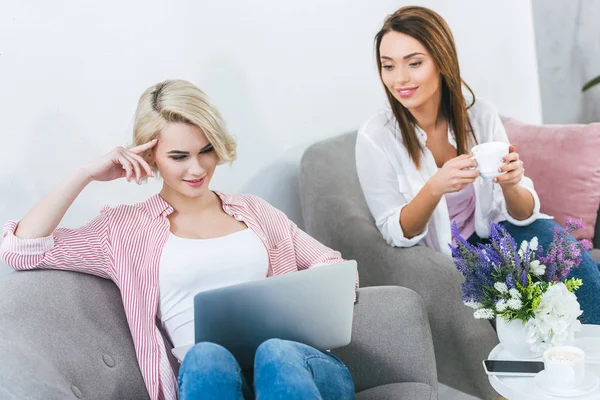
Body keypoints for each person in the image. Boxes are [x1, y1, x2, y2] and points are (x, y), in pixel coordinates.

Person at [1, 79, 355, 400]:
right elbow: (20, 250)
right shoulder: (123, 229)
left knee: (273, 352)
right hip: (210, 376)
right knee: (204, 356)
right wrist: (85, 174)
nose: (197, 169)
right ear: (150, 155)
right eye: (179, 156)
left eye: (206, 150)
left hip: (299, 367)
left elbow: (332, 266)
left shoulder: (255, 211)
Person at [355, 6, 600, 324]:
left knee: (554, 239)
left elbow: (524, 215)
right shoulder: (376, 138)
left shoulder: (480, 116)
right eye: (388, 66)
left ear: (441, 61)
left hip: (499, 235)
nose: (399, 78)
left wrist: (511, 184)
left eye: (414, 63)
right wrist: (435, 187)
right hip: (448, 256)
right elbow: (396, 232)